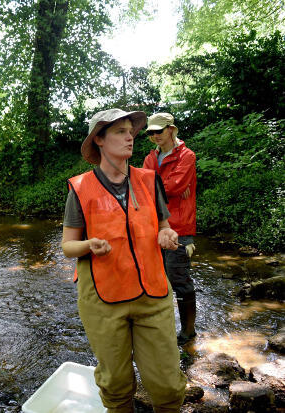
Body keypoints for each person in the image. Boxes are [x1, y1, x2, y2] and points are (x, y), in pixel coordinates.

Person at [61, 108, 186, 412]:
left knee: (168, 385)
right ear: (99, 140)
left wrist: (166, 234)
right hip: (102, 299)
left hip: (152, 294)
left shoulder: (149, 180)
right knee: (115, 385)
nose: (130, 137)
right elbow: (68, 246)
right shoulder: (80, 188)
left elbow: (164, 225)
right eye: (120, 131)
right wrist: (88, 245)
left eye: (131, 131)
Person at [142, 112, 197, 345]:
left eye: (159, 131)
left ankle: (188, 332)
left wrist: (159, 186)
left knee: (178, 278)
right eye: (151, 132)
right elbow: (143, 186)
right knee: (156, 279)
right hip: (154, 226)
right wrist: (165, 187)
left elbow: (174, 186)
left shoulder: (187, 156)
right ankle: (163, 329)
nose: (155, 135)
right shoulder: (150, 158)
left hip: (180, 226)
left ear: (171, 129)